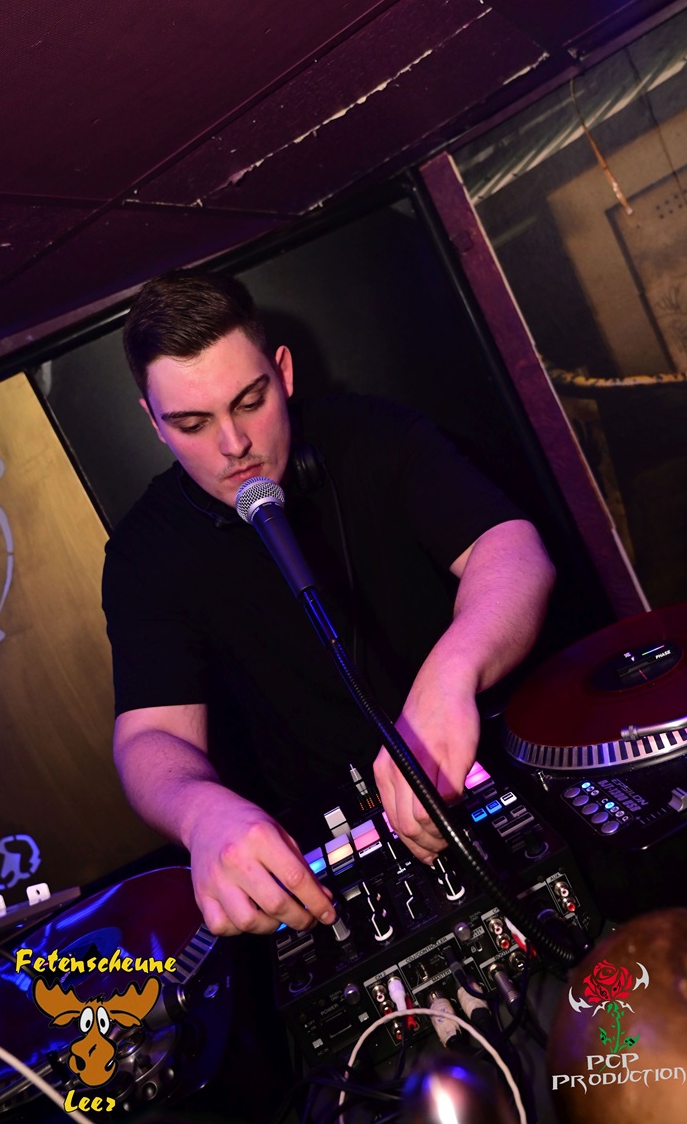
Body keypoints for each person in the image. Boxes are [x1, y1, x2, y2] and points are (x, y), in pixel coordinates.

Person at [102, 269, 556, 940]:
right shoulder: (146, 552)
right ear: (154, 423)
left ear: (283, 373)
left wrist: (450, 674)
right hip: (328, 848)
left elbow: (511, 548)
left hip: (487, 765)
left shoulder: (375, 433)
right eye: (192, 424)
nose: (233, 445)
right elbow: (151, 736)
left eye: (250, 401)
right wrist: (199, 813)